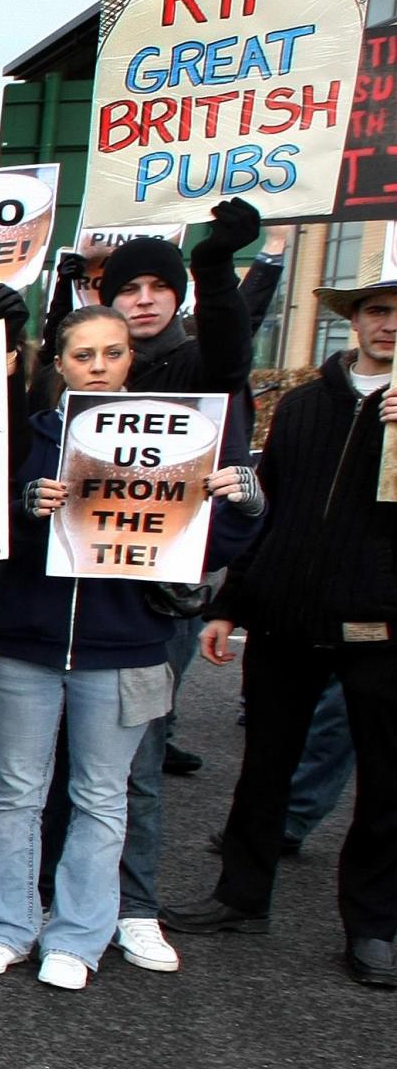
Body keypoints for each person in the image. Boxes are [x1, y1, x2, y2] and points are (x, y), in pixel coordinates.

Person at [0, 305, 264, 989]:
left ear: (132, 359)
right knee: (15, 792)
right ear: (59, 364)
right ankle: (7, 925)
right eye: (82, 355)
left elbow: (203, 548)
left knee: (102, 796)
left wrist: (245, 505)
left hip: (124, 646)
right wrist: (22, 505)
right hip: (27, 642)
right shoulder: (25, 437)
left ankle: (77, 936)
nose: (98, 366)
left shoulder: (184, 440)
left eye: (112, 353)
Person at [166, 275, 397, 989]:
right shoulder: (301, 405)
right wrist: (232, 604)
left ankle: (374, 927)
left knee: (385, 787)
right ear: (355, 322)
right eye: (379, 312)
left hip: (381, 625)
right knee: (264, 766)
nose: (389, 325)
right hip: (286, 619)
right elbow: (272, 514)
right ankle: (240, 894)